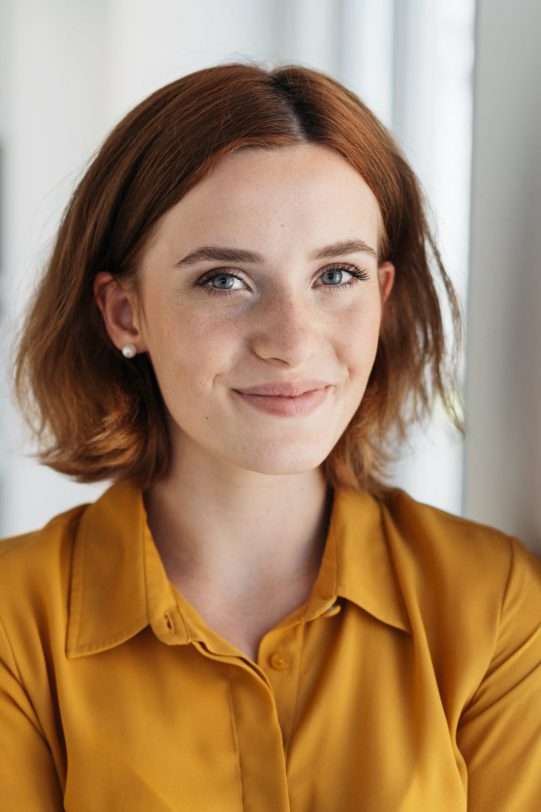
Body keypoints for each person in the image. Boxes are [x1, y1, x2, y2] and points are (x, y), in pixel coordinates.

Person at [1, 63, 540, 812]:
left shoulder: (495, 604)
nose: (290, 341)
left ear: (381, 298)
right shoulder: (11, 621)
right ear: (125, 313)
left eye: (336, 275)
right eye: (224, 279)